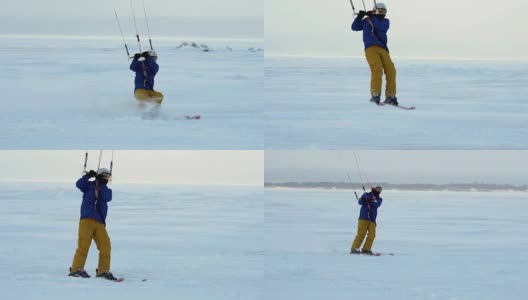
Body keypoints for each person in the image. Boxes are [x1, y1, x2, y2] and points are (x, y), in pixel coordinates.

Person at [69, 168, 118, 281]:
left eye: (108, 177)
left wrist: (101, 185)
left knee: (105, 246)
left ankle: (103, 271)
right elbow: (79, 184)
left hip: (100, 223)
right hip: (86, 220)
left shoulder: (107, 190)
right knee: (83, 246)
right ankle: (76, 269)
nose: (106, 179)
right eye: (104, 177)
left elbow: (107, 197)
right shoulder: (88, 186)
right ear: (99, 176)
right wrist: (88, 176)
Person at [352, 3, 398, 106]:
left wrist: (371, 16)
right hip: (371, 49)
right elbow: (354, 27)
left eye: (383, 11)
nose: (381, 13)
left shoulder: (385, 21)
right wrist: (359, 16)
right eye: (379, 11)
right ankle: (375, 95)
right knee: (377, 69)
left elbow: (379, 26)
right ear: (374, 11)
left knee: (391, 70)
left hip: (383, 49)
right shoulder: (367, 21)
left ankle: (390, 96)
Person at [350, 186, 383, 255]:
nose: (378, 191)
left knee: (372, 235)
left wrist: (370, 200)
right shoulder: (366, 195)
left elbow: (377, 204)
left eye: (380, 190)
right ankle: (354, 248)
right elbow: (360, 202)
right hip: (363, 218)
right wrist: (365, 200)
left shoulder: (379, 199)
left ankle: (366, 249)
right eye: (377, 189)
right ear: (374, 189)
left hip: (372, 219)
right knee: (361, 234)